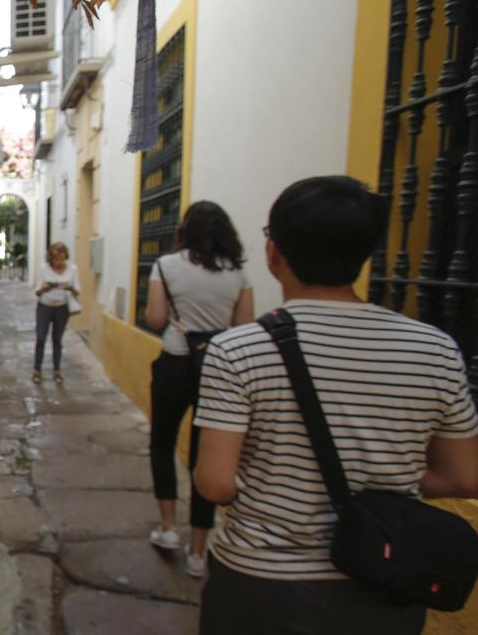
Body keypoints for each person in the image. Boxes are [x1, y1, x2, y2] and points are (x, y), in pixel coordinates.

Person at [193, 176, 478, 634]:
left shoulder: (237, 350)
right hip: (384, 581)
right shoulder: (436, 349)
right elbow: (463, 476)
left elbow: (214, 484)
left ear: (274, 254)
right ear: (365, 254)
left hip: (261, 584)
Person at [143, 201, 254, 579]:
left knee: (162, 441)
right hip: (219, 367)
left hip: (175, 360)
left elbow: (155, 319)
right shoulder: (238, 273)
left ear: (185, 230)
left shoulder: (166, 266)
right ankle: (198, 551)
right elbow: (244, 328)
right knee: (205, 455)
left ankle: (169, 528)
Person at [32, 242, 80, 384]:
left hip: (62, 308)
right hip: (45, 306)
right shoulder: (44, 269)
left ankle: (57, 370)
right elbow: (37, 291)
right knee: (41, 338)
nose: (59, 262)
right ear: (51, 259)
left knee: (57, 339)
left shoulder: (72, 269)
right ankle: (37, 370)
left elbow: (78, 291)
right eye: (56, 259)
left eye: (62, 259)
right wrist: (45, 289)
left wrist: (70, 288)